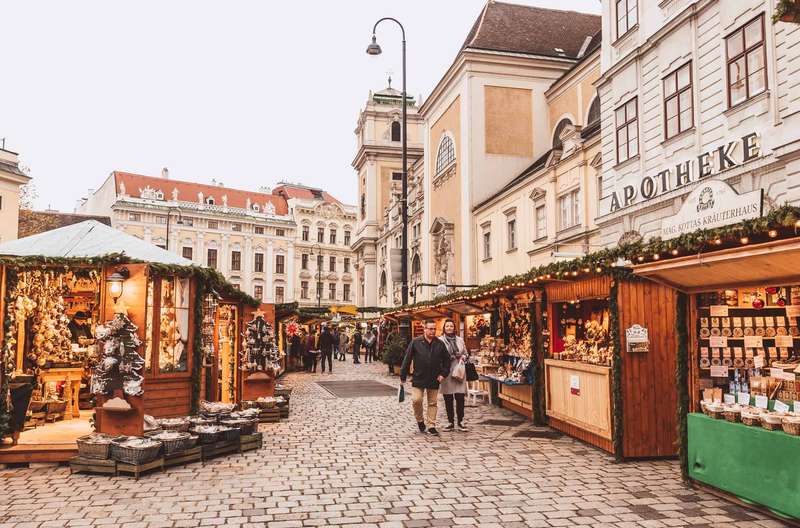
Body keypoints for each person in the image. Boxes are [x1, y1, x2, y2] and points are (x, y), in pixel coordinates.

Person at [400, 319, 450, 436]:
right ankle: (420, 420)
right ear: (425, 329)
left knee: (432, 403)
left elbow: (447, 361)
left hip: (434, 378)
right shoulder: (416, 342)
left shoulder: (439, 343)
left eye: (434, 329)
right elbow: (407, 359)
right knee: (416, 400)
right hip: (419, 377)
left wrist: (443, 374)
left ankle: (431, 425)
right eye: (430, 329)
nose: (433, 331)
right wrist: (403, 375)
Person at [439, 319, 469, 432]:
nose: (449, 328)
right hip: (447, 371)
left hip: (459, 370)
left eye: (451, 326)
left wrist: (463, 357)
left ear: (454, 327)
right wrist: (449, 357)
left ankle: (460, 421)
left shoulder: (460, 340)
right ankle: (450, 422)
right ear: (444, 328)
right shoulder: (440, 340)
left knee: (460, 397)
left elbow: (466, 353)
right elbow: (438, 355)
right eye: (447, 326)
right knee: (448, 397)